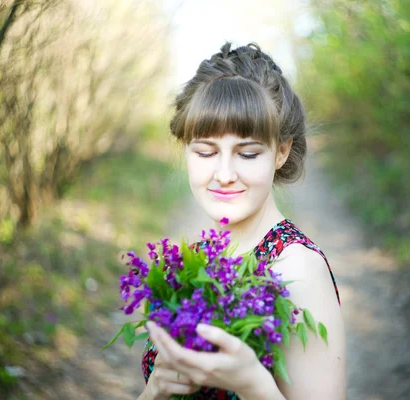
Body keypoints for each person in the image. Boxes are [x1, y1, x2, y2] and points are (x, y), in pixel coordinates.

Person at [138, 42, 346, 400]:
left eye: (247, 153)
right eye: (205, 151)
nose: (224, 174)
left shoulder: (298, 269)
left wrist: (253, 383)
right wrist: (155, 391)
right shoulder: (201, 258)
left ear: (281, 151)